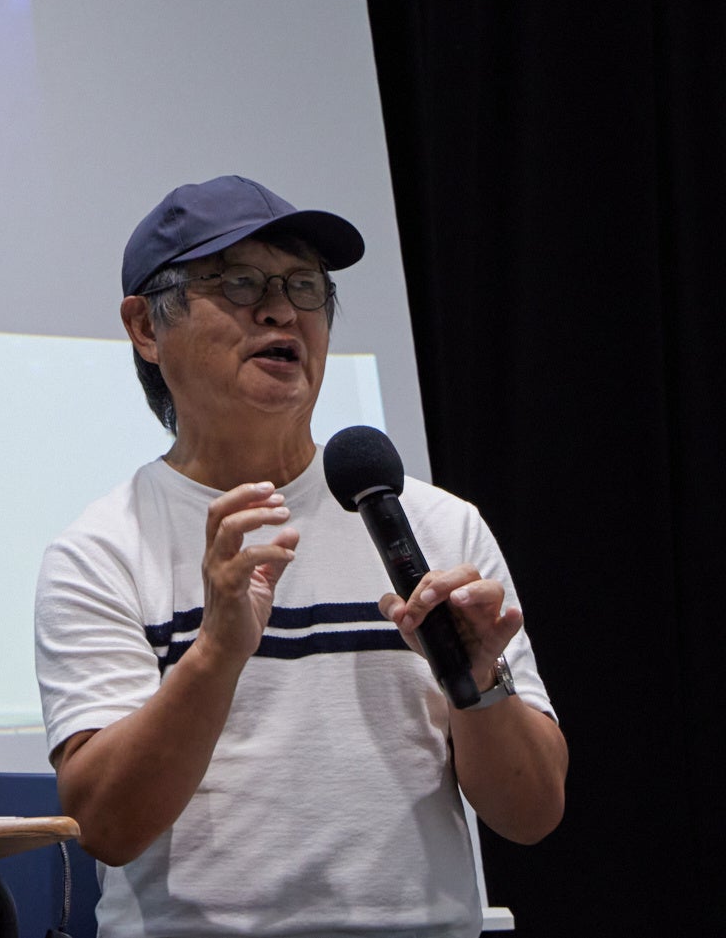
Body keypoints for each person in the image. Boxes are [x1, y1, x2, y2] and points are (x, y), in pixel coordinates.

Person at [35, 176, 566, 935]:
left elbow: (533, 812)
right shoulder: (103, 550)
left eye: (304, 285)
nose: (282, 310)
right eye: (239, 282)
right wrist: (216, 653)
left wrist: (479, 683)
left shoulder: (439, 526)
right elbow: (107, 827)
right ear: (145, 327)